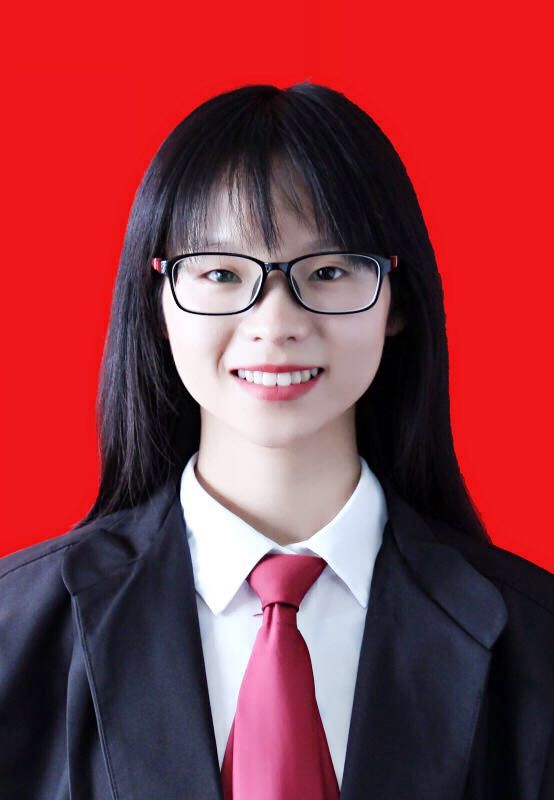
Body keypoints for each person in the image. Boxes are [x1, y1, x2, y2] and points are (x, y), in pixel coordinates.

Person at [1, 82, 552, 800]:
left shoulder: (535, 639)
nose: (275, 323)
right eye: (221, 273)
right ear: (158, 301)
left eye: (328, 271)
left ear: (396, 299)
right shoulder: (15, 630)